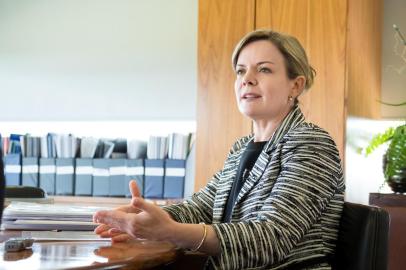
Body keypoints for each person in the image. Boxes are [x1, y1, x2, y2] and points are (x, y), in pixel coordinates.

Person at [93, 29, 345, 270]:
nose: (247, 79)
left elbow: (272, 237)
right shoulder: (240, 150)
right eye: (240, 71)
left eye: (264, 69)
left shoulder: (312, 143)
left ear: (296, 85)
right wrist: (144, 217)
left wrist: (170, 231)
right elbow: (199, 208)